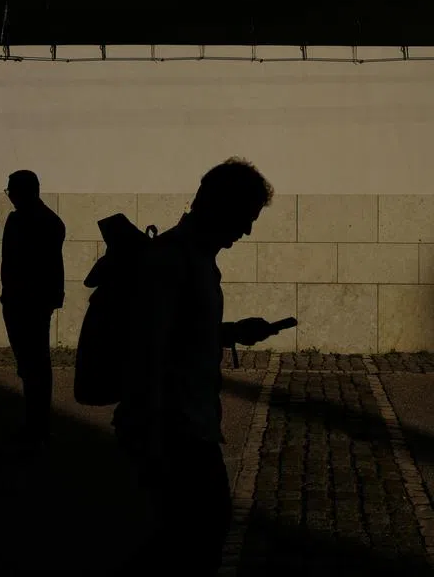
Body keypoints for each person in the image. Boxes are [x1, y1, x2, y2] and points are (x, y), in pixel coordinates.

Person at [114, 157, 286, 575]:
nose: (246, 232)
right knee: (192, 540)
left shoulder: (193, 258)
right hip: (175, 431)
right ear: (218, 207)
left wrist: (231, 332)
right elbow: (149, 352)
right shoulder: (173, 259)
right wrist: (152, 437)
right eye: (244, 218)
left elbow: (177, 334)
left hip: (189, 425)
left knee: (186, 540)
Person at [0, 170, 65, 455]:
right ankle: (37, 421)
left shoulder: (27, 221)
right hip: (30, 300)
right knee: (34, 362)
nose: (10, 195)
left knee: (33, 363)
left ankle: (36, 422)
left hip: (25, 300)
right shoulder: (48, 221)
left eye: (11, 190)